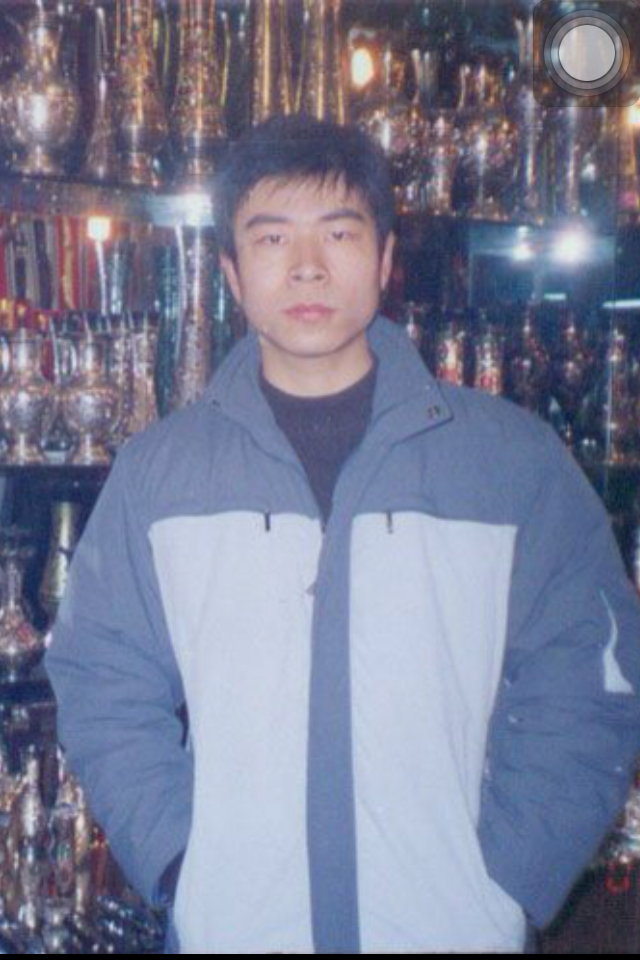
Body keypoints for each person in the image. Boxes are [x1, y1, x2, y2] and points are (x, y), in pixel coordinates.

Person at [45, 114, 640, 955]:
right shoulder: (160, 475)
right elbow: (100, 680)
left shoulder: (510, 463)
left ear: (387, 258)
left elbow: (592, 677)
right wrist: (179, 862)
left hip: (451, 933)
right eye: (271, 237)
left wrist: (510, 875)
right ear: (231, 272)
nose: (308, 265)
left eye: (339, 232)